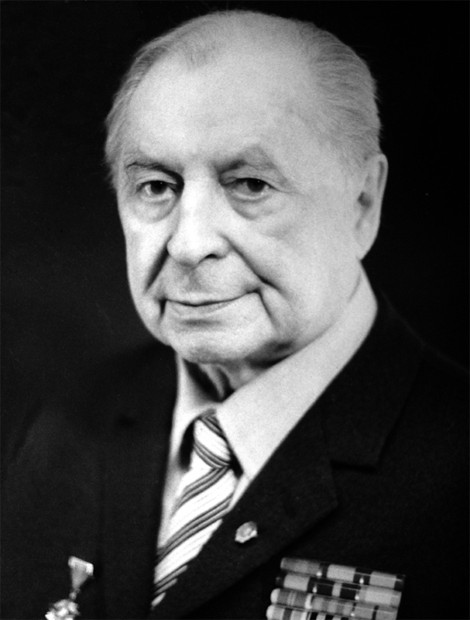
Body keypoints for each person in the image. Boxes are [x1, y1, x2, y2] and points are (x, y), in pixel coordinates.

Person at [2, 9, 468, 620]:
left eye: (250, 184)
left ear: (362, 203)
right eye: (156, 186)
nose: (189, 244)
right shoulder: (64, 424)